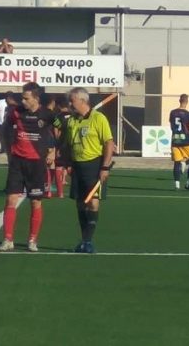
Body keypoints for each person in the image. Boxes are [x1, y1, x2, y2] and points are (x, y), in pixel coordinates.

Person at [0, 82, 55, 252]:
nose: (22, 101)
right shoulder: (15, 112)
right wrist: (9, 152)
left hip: (36, 164)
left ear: (36, 98)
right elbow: (5, 131)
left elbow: (60, 131)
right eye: (22, 98)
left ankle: (32, 240)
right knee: (11, 200)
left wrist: (53, 151)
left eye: (26, 98)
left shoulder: (47, 114)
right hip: (17, 162)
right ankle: (8, 239)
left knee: (35, 202)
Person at [62, 87, 114, 254]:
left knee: (93, 202)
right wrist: (67, 163)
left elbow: (109, 143)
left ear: (83, 100)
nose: (70, 104)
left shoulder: (98, 118)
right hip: (77, 166)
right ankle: (84, 240)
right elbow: (68, 144)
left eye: (72, 101)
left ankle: (88, 241)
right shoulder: (71, 121)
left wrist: (105, 166)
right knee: (80, 203)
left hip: (94, 165)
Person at [168, 94, 189, 190]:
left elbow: (171, 126)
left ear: (179, 100)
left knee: (176, 162)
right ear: (187, 102)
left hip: (175, 140)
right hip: (186, 140)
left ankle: (177, 184)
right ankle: (188, 182)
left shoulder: (172, 112)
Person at [50, 97, 73, 199]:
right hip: (72, 145)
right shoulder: (74, 116)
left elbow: (56, 131)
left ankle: (60, 193)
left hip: (62, 145)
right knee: (70, 167)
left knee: (58, 167)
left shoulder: (58, 116)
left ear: (59, 106)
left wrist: (57, 144)